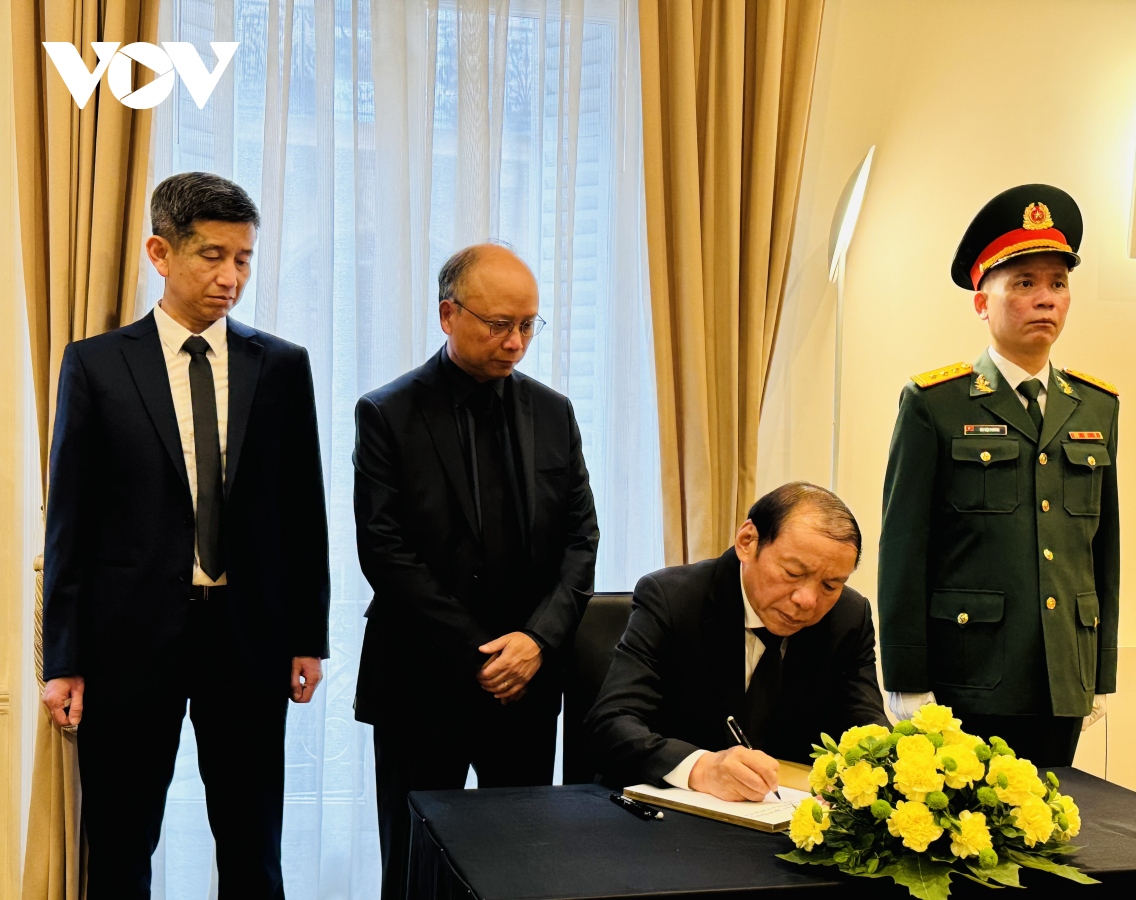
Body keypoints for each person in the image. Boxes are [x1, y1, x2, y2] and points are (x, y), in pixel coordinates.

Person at [40, 172, 330, 897]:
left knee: (252, 841)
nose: (231, 277)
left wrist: (308, 637)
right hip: (127, 641)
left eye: (244, 258)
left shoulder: (281, 366)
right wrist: (62, 659)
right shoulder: (96, 364)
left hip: (248, 638)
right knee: (120, 841)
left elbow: (303, 512)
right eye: (213, 256)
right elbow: (70, 521)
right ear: (160, 253)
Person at [353, 243, 599, 897]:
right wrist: (482, 654)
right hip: (421, 681)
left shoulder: (554, 412)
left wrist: (536, 642)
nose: (515, 342)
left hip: (528, 685)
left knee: (519, 869)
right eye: (498, 325)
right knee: (413, 869)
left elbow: (581, 541)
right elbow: (384, 551)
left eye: (528, 325)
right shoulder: (387, 413)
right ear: (448, 315)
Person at [878, 184, 1118, 767]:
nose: (1045, 300)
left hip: (1061, 674)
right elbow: (904, 547)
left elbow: (1103, 549)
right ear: (982, 303)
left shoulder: (1095, 406)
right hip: (966, 676)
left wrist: (1098, 670)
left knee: (1052, 817)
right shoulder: (936, 403)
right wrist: (906, 677)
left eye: (1058, 284)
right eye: (1024, 284)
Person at [585, 482, 888, 799]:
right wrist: (702, 768)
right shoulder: (673, 599)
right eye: (793, 573)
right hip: (665, 810)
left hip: (784, 814)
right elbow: (610, 724)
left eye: (830, 585)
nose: (807, 600)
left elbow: (869, 733)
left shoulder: (848, 618)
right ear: (748, 542)